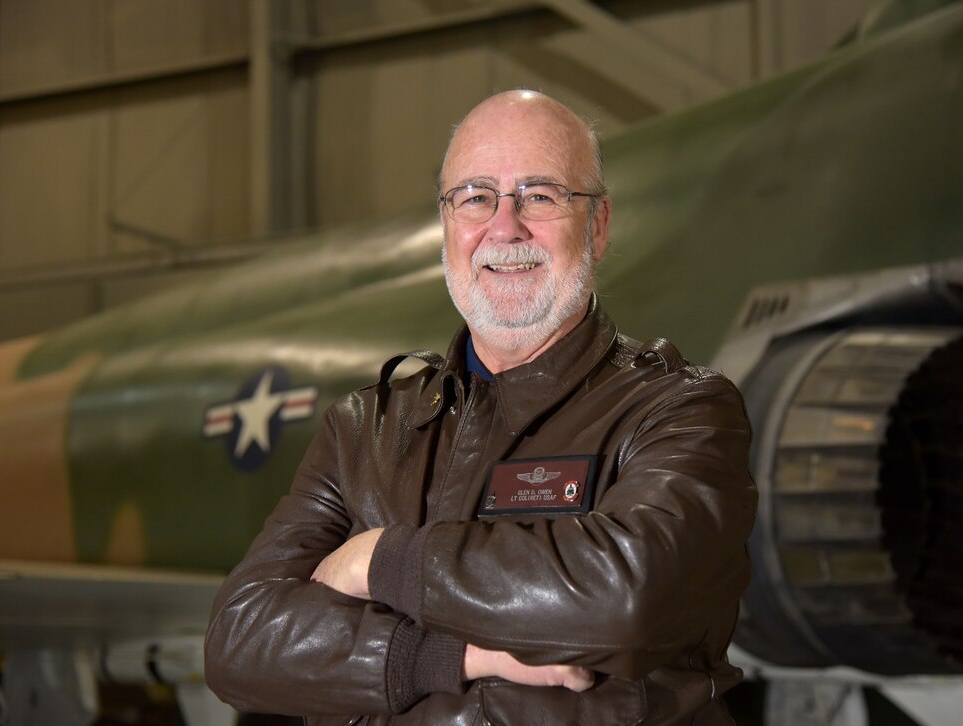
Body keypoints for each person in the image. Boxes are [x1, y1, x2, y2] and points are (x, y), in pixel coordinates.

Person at [205, 89, 757, 725]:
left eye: (541, 196)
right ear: (447, 224)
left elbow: (627, 595)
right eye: (476, 197)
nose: (505, 226)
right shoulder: (367, 429)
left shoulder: (678, 411)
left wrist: (379, 560)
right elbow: (239, 640)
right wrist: (450, 656)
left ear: (598, 226)